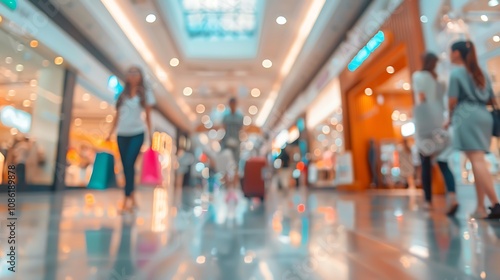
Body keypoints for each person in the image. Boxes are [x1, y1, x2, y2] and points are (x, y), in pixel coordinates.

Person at [447, 41, 500, 219]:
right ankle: (480, 207)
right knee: (477, 160)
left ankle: (495, 203)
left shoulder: (456, 73)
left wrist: (449, 119)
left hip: (466, 116)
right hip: (484, 115)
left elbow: (452, 101)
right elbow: (490, 99)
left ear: (456, 53)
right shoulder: (481, 73)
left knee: (476, 160)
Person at [413, 52, 458, 214]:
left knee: (425, 163)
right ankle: (452, 196)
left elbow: (422, 98)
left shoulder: (418, 76)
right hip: (440, 123)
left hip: (426, 123)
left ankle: (428, 202)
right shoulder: (439, 81)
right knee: (443, 162)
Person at [107, 66, 155, 213]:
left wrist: (150, 135)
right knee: (126, 166)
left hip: (137, 133)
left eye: (136, 73)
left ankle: (126, 200)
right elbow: (117, 115)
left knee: (129, 163)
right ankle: (131, 197)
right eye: (130, 72)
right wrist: (110, 133)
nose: (133, 75)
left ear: (141, 76)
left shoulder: (145, 94)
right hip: (122, 134)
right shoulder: (121, 94)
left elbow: (148, 116)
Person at [220, 97, 244, 189]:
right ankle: (227, 184)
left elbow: (241, 129)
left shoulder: (240, 117)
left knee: (236, 164)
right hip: (226, 141)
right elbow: (224, 128)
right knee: (225, 162)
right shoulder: (226, 117)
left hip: (236, 142)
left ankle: (234, 184)